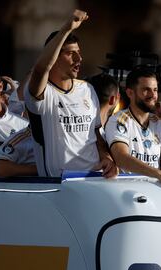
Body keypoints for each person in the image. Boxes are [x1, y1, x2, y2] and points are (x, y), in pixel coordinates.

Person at [24, 9, 118, 178]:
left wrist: (106, 157)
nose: (78, 59)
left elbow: (95, 134)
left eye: (78, 53)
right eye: (70, 53)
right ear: (54, 58)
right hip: (60, 186)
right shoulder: (42, 93)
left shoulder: (88, 89)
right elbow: (40, 69)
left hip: (94, 179)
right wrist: (66, 28)